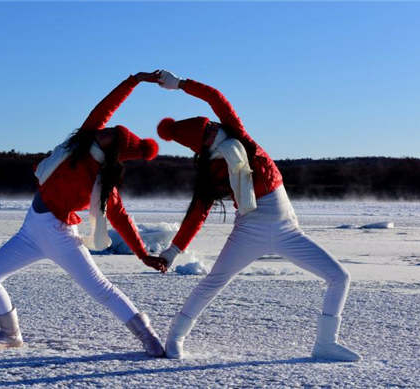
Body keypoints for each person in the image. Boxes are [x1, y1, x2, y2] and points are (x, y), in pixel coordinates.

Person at [154, 70, 360, 362]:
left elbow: (216, 98)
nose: (215, 129)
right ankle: (175, 338)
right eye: (209, 132)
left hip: (289, 231)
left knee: (340, 277)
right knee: (214, 282)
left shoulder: (242, 140)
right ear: (204, 147)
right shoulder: (212, 174)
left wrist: (181, 84)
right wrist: (173, 251)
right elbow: (197, 214)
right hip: (249, 232)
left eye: (212, 125)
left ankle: (326, 343)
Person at [0, 71, 167, 357]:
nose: (105, 130)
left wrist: (143, 254)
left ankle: (147, 335)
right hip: (31, 230)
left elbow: (121, 219)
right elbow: (106, 107)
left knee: (101, 289)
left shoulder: (102, 185)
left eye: (111, 134)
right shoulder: (82, 143)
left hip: (60, 236)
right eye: (109, 129)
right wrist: (134, 81)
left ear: (113, 149)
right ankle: (10, 333)